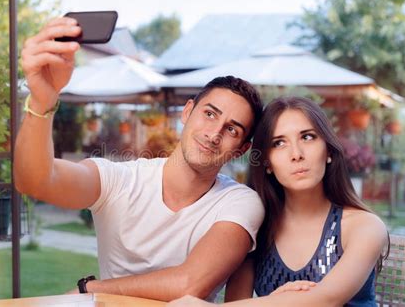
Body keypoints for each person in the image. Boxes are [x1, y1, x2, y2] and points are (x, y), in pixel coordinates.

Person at [14, 17, 265, 302]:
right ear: (187, 112)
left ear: (242, 149)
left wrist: (92, 288)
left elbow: (189, 284)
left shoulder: (239, 202)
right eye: (210, 113)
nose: (214, 133)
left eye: (232, 129)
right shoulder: (120, 181)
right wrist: (41, 100)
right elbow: (35, 182)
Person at [168, 96, 388, 306]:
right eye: (279, 143)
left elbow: (324, 300)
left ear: (328, 150)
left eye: (307, 137)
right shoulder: (255, 228)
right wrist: (276, 301)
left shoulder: (364, 226)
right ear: (267, 163)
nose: (296, 154)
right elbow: (236, 303)